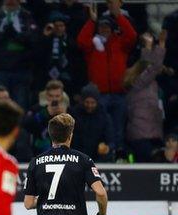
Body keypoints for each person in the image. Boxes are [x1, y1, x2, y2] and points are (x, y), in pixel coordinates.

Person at [77, 0, 136, 151]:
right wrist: (92, 21)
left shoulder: (120, 44)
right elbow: (81, 41)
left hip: (119, 94)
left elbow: (132, 35)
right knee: (98, 128)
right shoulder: (93, 45)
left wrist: (118, 16)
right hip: (99, 97)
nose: (104, 29)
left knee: (118, 128)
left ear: (112, 28)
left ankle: (117, 156)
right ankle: (101, 156)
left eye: (107, 26)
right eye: (101, 26)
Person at [0, 0, 38, 110]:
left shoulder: (27, 16)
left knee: (20, 105)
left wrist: (16, 35)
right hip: (0, 67)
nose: (11, 1)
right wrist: (3, 34)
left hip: (22, 68)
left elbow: (33, 40)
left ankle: (19, 128)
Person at [124, 32, 166, 163]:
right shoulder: (138, 83)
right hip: (141, 134)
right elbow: (152, 67)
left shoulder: (150, 84)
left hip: (153, 133)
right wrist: (159, 46)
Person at [71, 83, 115, 162]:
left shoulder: (104, 117)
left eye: (93, 102)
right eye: (87, 102)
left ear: (97, 102)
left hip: (98, 158)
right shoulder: (74, 115)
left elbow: (111, 140)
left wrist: (107, 147)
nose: (90, 105)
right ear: (82, 101)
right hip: (77, 157)